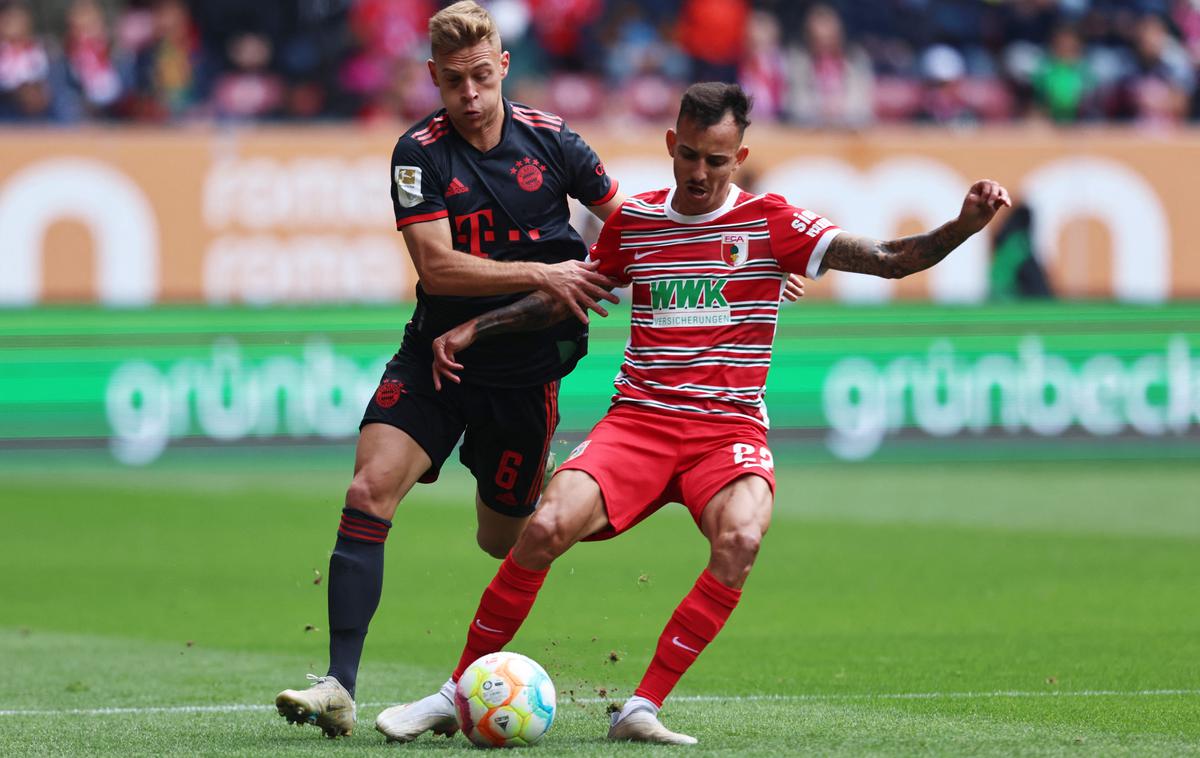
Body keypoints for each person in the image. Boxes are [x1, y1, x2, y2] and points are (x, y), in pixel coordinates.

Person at [380, 82, 1011, 745]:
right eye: (691, 158)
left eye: (717, 160)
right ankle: (454, 691)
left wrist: (964, 226)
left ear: (738, 156)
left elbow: (888, 260)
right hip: (640, 425)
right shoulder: (637, 222)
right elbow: (571, 295)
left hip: (727, 433)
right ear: (671, 145)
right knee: (546, 527)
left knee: (740, 540)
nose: (701, 174)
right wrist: (477, 330)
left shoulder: (774, 224)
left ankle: (641, 707)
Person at [273, 0, 624, 738]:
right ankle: (339, 684)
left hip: (525, 374)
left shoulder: (556, 141)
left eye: (479, 78)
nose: (468, 95)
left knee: (502, 542)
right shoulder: (418, 152)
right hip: (436, 359)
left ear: (502, 66)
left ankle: (569, 492)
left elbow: (628, 223)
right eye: (453, 81)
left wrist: (746, 262)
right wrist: (546, 274)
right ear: (432, 76)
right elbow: (435, 265)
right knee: (368, 488)